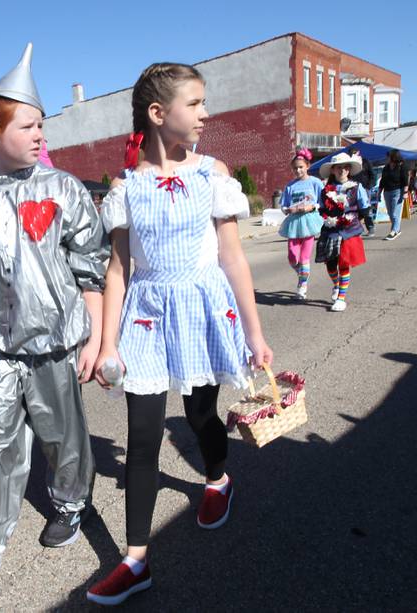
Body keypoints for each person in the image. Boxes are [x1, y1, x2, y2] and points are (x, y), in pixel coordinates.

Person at [88, 62, 273, 605]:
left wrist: (254, 334)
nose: (205, 113)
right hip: (145, 316)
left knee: (199, 414)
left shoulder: (212, 174)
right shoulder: (125, 186)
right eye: (195, 104)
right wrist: (107, 343)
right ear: (157, 112)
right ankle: (136, 561)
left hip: (200, 310)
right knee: (142, 438)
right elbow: (117, 270)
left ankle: (217, 479)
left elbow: (233, 258)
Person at [0, 44, 109, 597]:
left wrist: (96, 340)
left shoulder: (64, 190)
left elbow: (91, 272)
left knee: (64, 435)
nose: (40, 135)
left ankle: (70, 502)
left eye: (42, 126)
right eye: (28, 125)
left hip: (57, 343)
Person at [315, 152, 368, 311]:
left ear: (349, 170)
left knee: (344, 264)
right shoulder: (325, 190)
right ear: (333, 170)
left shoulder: (356, 188)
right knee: (330, 265)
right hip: (330, 229)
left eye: (346, 167)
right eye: (339, 167)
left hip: (348, 231)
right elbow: (322, 210)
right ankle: (336, 285)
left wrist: (359, 221)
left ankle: (341, 298)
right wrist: (328, 220)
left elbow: (364, 208)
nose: (342, 170)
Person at [278, 147, 324, 299]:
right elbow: (284, 204)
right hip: (294, 223)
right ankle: (302, 274)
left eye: (301, 167)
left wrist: (312, 206)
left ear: (308, 166)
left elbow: (322, 201)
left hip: (309, 221)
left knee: (304, 257)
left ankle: (302, 286)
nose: (298, 170)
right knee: (292, 256)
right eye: (295, 168)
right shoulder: (291, 186)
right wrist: (287, 209)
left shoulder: (315, 182)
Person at [379, 149, 409, 239]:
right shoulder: (386, 168)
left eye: (388, 156)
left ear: (393, 157)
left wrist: (405, 192)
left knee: (395, 213)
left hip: (398, 191)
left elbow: (405, 180)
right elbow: (382, 181)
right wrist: (379, 192)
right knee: (390, 213)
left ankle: (394, 231)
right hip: (387, 192)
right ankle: (397, 229)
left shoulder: (402, 166)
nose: (386, 158)